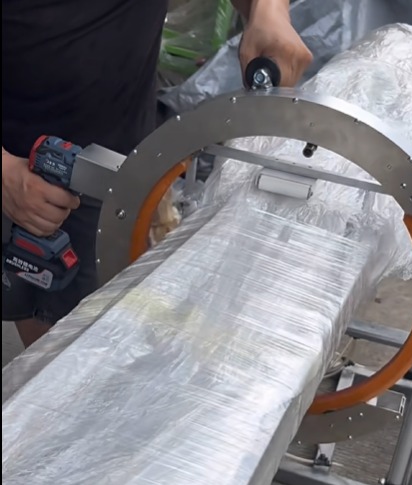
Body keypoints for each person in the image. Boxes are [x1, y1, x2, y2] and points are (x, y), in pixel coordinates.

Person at [2, 0, 313, 348]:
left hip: (130, 150)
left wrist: (268, 12)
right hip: (36, 179)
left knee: (131, 320)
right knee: (68, 350)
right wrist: (5, 175)